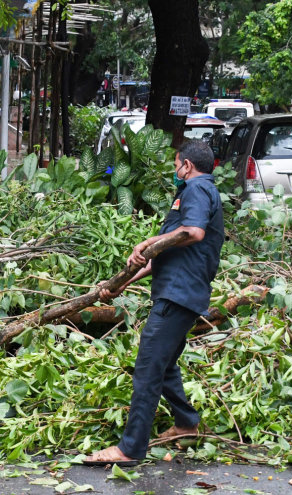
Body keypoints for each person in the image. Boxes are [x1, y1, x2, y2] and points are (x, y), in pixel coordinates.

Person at [84, 140, 224, 466]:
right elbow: (160, 255)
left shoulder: (196, 190)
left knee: (148, 366)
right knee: (165, 364)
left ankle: (130, 449)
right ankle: (187, 423)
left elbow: (193, 232)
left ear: (186, 165)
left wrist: (147, 241)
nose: (176, 171)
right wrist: (119, 285)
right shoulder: (195, 193)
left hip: (179, 295)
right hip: (179, 293)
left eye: (177, 165)